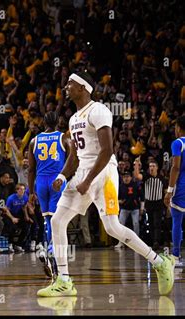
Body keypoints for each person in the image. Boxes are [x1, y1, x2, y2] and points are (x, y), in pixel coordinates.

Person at [37, 72, 174, 297]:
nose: (66, 87)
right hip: (82, 172)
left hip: (104, 172)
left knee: (111, 227)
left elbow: (107, 150)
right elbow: (75, 154)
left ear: (84, 88)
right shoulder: (73, 119)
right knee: (58, 220)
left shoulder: (99, 110)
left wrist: (88, 181)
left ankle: (159, 262)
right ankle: (64, 280)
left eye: (71, 83)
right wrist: (62, 176)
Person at [28, 111, 69, 277]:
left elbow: (30, 169)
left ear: (43, 122)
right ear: (58, 121)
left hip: (41, 181)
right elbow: (73, 160)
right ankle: (51, 251)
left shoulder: (33, 141)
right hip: (56, 180)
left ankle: (48, 250)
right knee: (59, 220)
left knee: (48, 219)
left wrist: (31, 192)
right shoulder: (63, 137)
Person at [164, 115, 185, 267]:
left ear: (179, 128)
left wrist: (169, 190)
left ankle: (176, 257)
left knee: (177, 221)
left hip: (181, 186)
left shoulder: (177, 143)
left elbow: (176, 167)